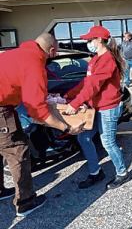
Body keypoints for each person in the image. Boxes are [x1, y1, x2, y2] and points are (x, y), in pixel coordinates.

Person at [0, 33, 83, 217]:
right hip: (1, 110)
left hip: (5, 104)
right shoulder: (34, 64)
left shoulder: (17, 53)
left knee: (1, 149)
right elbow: (37, 110)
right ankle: (25, 202)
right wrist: (67, 128)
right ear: (52, 50)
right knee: (17, 151)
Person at [64, 26, 129, 190]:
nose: (87, 42)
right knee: (83, 138)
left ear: (99, 40)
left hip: (108, 108)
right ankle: (95, 172)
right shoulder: (94, 60)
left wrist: (75, 103)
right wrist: (69, 95)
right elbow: (86, 82)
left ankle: (122, 172)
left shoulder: (107, 60)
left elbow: (94, 85)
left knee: (107, 142)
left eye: (89, 39)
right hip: (94, 108)